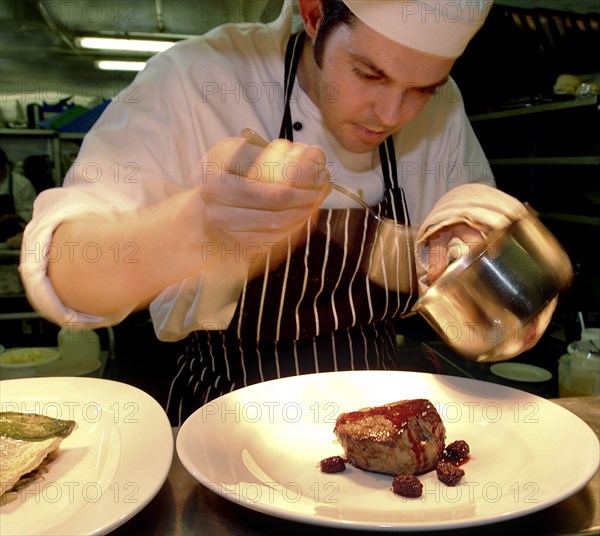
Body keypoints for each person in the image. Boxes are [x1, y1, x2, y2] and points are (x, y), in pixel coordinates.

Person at [20, 0, 551, 424]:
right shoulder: (197, 79)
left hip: (388, 405)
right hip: (227, 412)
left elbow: (473, 210)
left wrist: (463, 234)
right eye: (368, 74)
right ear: (315, 13)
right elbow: (65, 272)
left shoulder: (444, 106)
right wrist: (197, 225)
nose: (390, 114)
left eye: (421, 90)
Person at [0, 147, 37, 243]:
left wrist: (11, 217)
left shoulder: (21, 183)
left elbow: (34, 213)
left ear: (3, 168)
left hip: (16, 237)